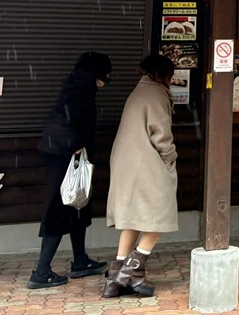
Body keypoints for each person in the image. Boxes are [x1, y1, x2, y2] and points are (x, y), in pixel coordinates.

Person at [29, 51, 112, 289]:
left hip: (66, 156)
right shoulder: (79, 91)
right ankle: (41, 272)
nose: (107, 78)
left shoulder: (78, 86)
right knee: (60, 209)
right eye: (106, 73)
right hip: (64, 158)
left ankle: (81, 261)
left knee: (78, 207)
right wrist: (75, 145)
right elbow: (65, 123)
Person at [102, 54, 178, 298]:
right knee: (160, 215)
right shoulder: (156, 93)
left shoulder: (138, 92)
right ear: (166, 74)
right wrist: (170, 157)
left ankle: (115, 279)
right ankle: (130, 272)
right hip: (147, 162)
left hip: (126, 160)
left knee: (133, 219)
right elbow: (161, 133)